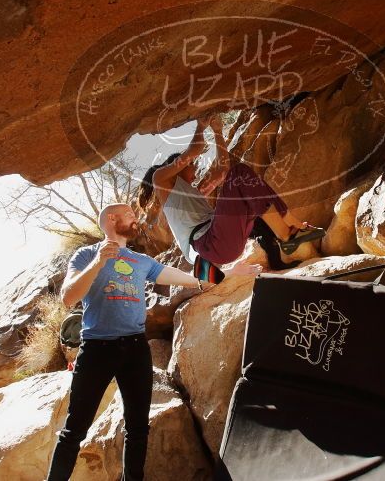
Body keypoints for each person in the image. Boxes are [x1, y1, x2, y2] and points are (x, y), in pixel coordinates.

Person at [46, 203, 259, 481]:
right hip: (97, 348)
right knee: (75, 428)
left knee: (138, 427)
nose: (136, 219)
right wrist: (99, 262)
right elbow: (68, 297)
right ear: (112, 219)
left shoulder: (141, 261)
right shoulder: (86, 254)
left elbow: (190, 280)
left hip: (135, 348)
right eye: (130, 215)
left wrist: (230, 270)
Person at [138, 113, 325, 269]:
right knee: (239, 174)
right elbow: (195, 150)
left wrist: (218, 131)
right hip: (210, 245)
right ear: (178, 167)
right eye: (192, 166)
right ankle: (287, 235)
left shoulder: (195, 194)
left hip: (222, 242)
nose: (195, 171)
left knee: (253, 200)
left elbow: (222, 171)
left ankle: (289, 237)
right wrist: (201, 127)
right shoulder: (161, 180)